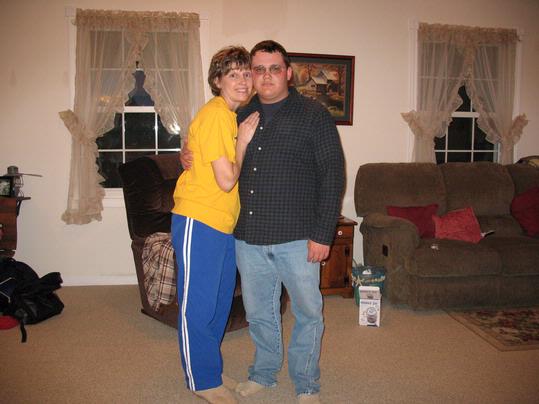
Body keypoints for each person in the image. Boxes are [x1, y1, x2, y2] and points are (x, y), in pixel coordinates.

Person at [182, 40, 345, 403]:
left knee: (308, 313)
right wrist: (185, 152)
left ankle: (306, 383)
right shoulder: (238, 112)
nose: (265, 76)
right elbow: (207, 142)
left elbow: (332, 175)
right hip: (248, 237)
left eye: (274, 69)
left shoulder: (314, 115)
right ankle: (264, 374)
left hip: (298, 238)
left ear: (288, 73)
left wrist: (323, 234)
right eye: (258, 69)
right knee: (259, 314)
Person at [170, 45, 259, 404]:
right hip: (200, 218)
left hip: (222, 223)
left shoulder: (229, 116)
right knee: (199, 303)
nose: (242, 80)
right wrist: (243, 144)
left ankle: (209, 368)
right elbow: (226, 180)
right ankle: (201, 380)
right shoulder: (218, 115)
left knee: (219, 303)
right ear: (218, 80)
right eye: (233, 74)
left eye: (246, 73)